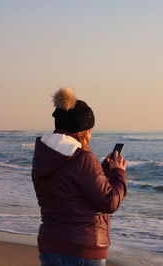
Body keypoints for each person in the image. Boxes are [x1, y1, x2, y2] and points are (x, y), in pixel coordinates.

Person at [32, 88, 127, 266]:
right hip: (82, 248)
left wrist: (102, 170)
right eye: (89, 131)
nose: (90, 135)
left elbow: (69, 189)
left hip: (49, 244)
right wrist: (117, 173)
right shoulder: (83, 158)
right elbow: (109, 201)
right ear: (81, 131)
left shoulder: (44, 155)